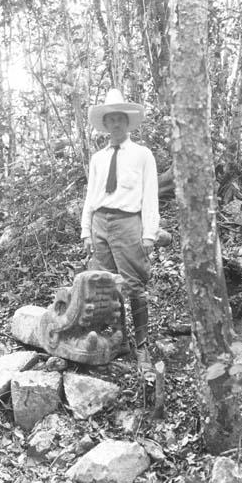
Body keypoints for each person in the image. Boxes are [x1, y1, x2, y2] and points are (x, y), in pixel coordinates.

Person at [81, 89, 160, 376]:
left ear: (127, 123)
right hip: (100, 223)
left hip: (128, 224)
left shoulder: (142, 155)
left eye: (120, 119)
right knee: (104, 286)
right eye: (110, 120)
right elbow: (91, 195)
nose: (115, 124)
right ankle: (117, 340)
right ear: (105, 124)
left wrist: (149, 233)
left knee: (134, 286)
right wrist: (86, 231)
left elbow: (151, 196)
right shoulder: (98, 159)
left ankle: (142, 347)